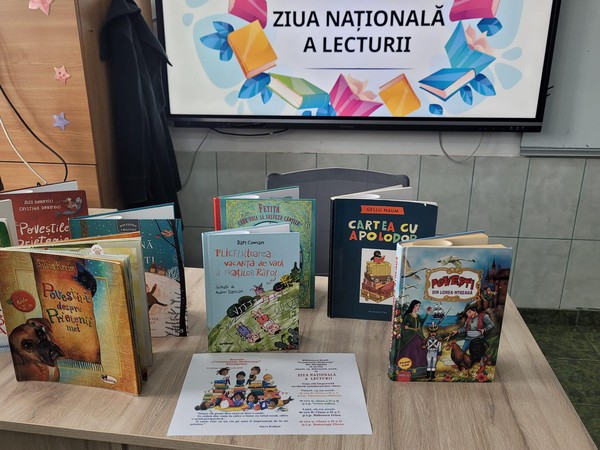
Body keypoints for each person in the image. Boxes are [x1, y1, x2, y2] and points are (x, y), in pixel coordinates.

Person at [395, 300, 429, 371]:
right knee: (412, 345)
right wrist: (404, 327)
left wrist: (427, 313)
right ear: (413, 306)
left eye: (419, 306)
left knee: (421, 344)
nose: (418, 307)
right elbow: (402, 324)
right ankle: (407, 365)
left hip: (418, 333)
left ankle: (419, 365)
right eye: (417, 305)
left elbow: (422, 322)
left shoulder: (418, 316)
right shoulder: (408, 316)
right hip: (410, 333)